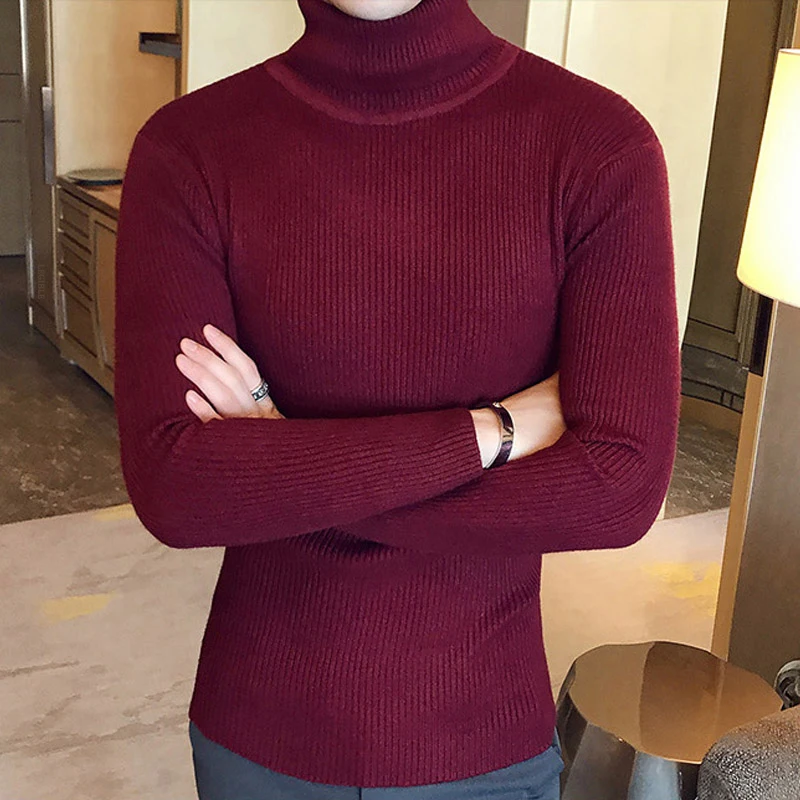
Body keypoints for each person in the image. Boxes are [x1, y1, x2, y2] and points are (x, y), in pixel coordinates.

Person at [113, 0, 681, 796]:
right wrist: (493, 431)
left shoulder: (598, 146)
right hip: (259, 736)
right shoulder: (187, 149)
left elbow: (618, 493)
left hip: (483, 741)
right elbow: (177, 489)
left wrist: (281, 457)